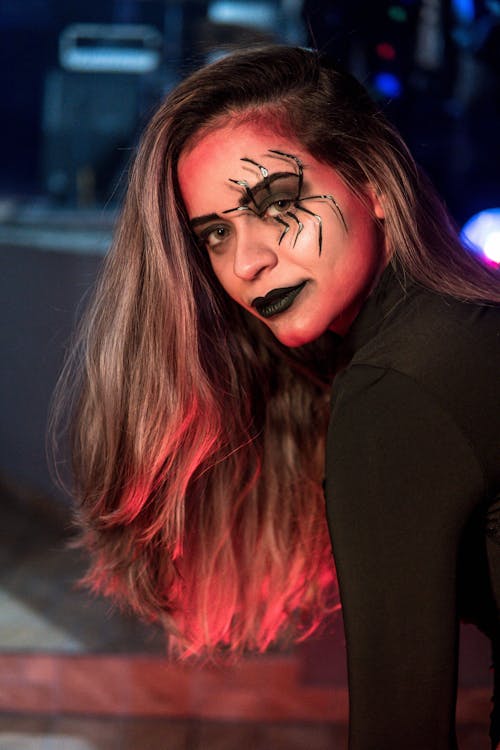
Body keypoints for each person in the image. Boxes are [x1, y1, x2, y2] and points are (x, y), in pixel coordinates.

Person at [54, 46, 500, 748]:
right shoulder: (463, 328)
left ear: (374, 183)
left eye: (276, 204)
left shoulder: (397, 391)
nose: (246, 261)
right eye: (216, 235)